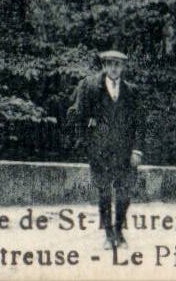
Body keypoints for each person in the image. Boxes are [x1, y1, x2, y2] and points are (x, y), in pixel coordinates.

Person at [69, 49, 144, 246]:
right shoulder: (90, 86)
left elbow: (140, 123)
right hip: (99, 150)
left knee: (124, 193)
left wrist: (137, 150)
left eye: (118, 64)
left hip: (125, 151)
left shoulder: (131, 91)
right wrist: (87, 140)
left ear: (123, 67)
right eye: (110, 63)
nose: (114, 68)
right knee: (104, 193)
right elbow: (76, 115)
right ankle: (109, 235)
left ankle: (119, 231)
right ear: (104, 65)